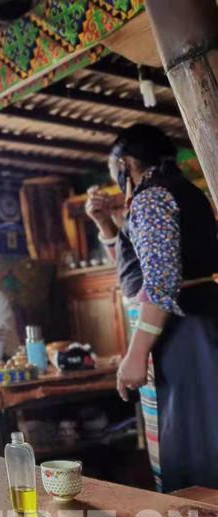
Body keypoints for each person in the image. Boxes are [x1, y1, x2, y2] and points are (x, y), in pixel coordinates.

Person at [85, 123, 218, 492]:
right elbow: (136, 272)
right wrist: (106, 223)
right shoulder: (180, 191)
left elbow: (159, 283)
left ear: (126, 164)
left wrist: (135, 354)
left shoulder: (152, 198)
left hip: (184, 329)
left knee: (197, 445)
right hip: (192, 322)